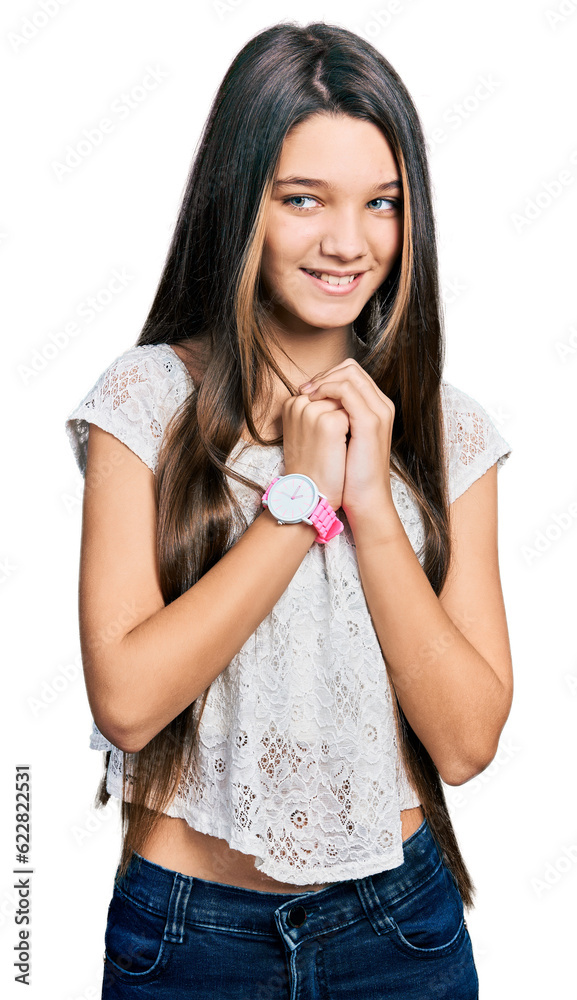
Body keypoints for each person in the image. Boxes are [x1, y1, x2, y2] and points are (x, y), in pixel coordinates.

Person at [64, 19, 513, 999]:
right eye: (302, 199)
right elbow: (129, 704)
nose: (346, 242)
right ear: (241, 202)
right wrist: (293, 506)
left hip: (396, 929)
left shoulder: (451, 432)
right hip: (187, 934)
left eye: (380, 204)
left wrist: (369, 501)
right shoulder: (145, 402)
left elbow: (467, 741)